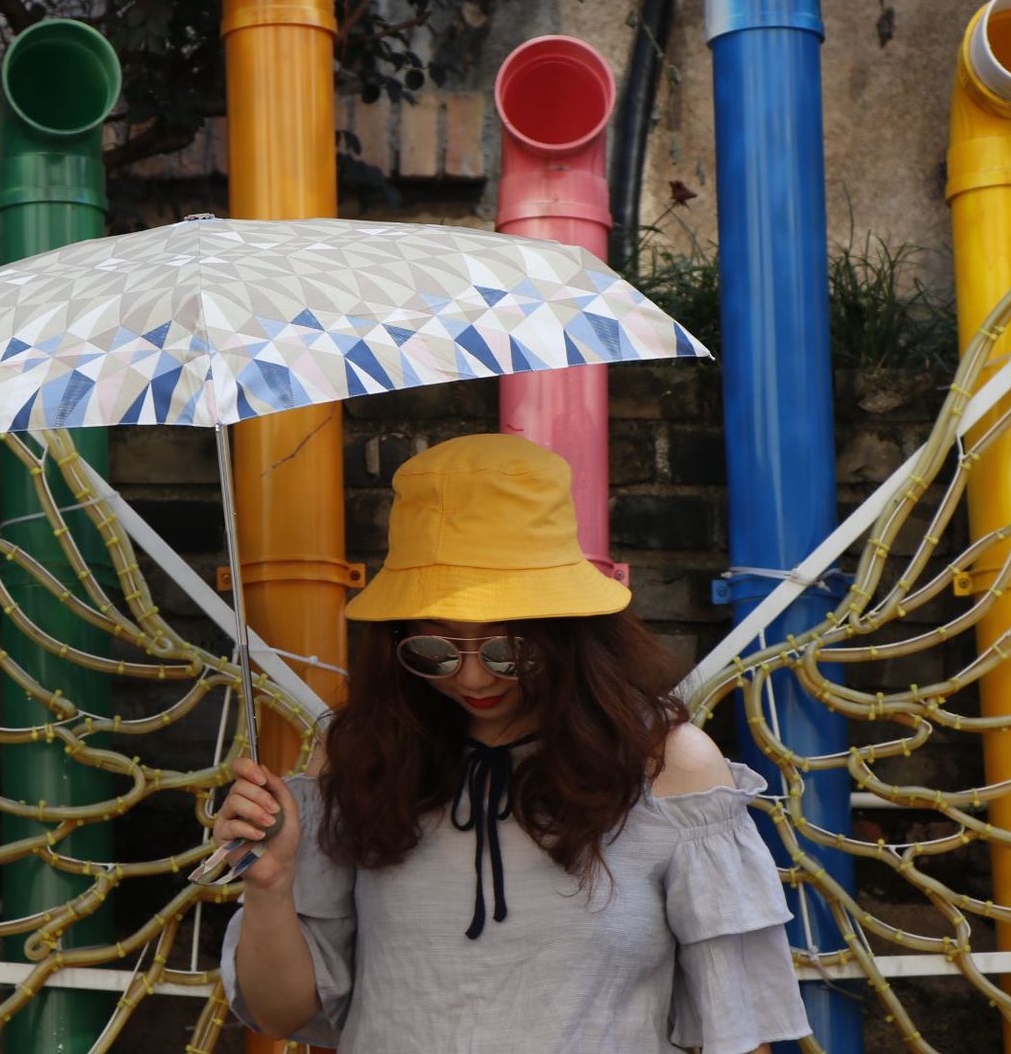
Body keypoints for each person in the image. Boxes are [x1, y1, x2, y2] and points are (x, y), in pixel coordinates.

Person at [215, 433, 813, 1052]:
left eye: (508, 649)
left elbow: (737, 1030)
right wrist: (270, 888)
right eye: (434, 650)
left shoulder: (666, 766)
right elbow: (281, 1015)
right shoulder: (361, 756)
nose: (471, 678)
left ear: (568, 634)